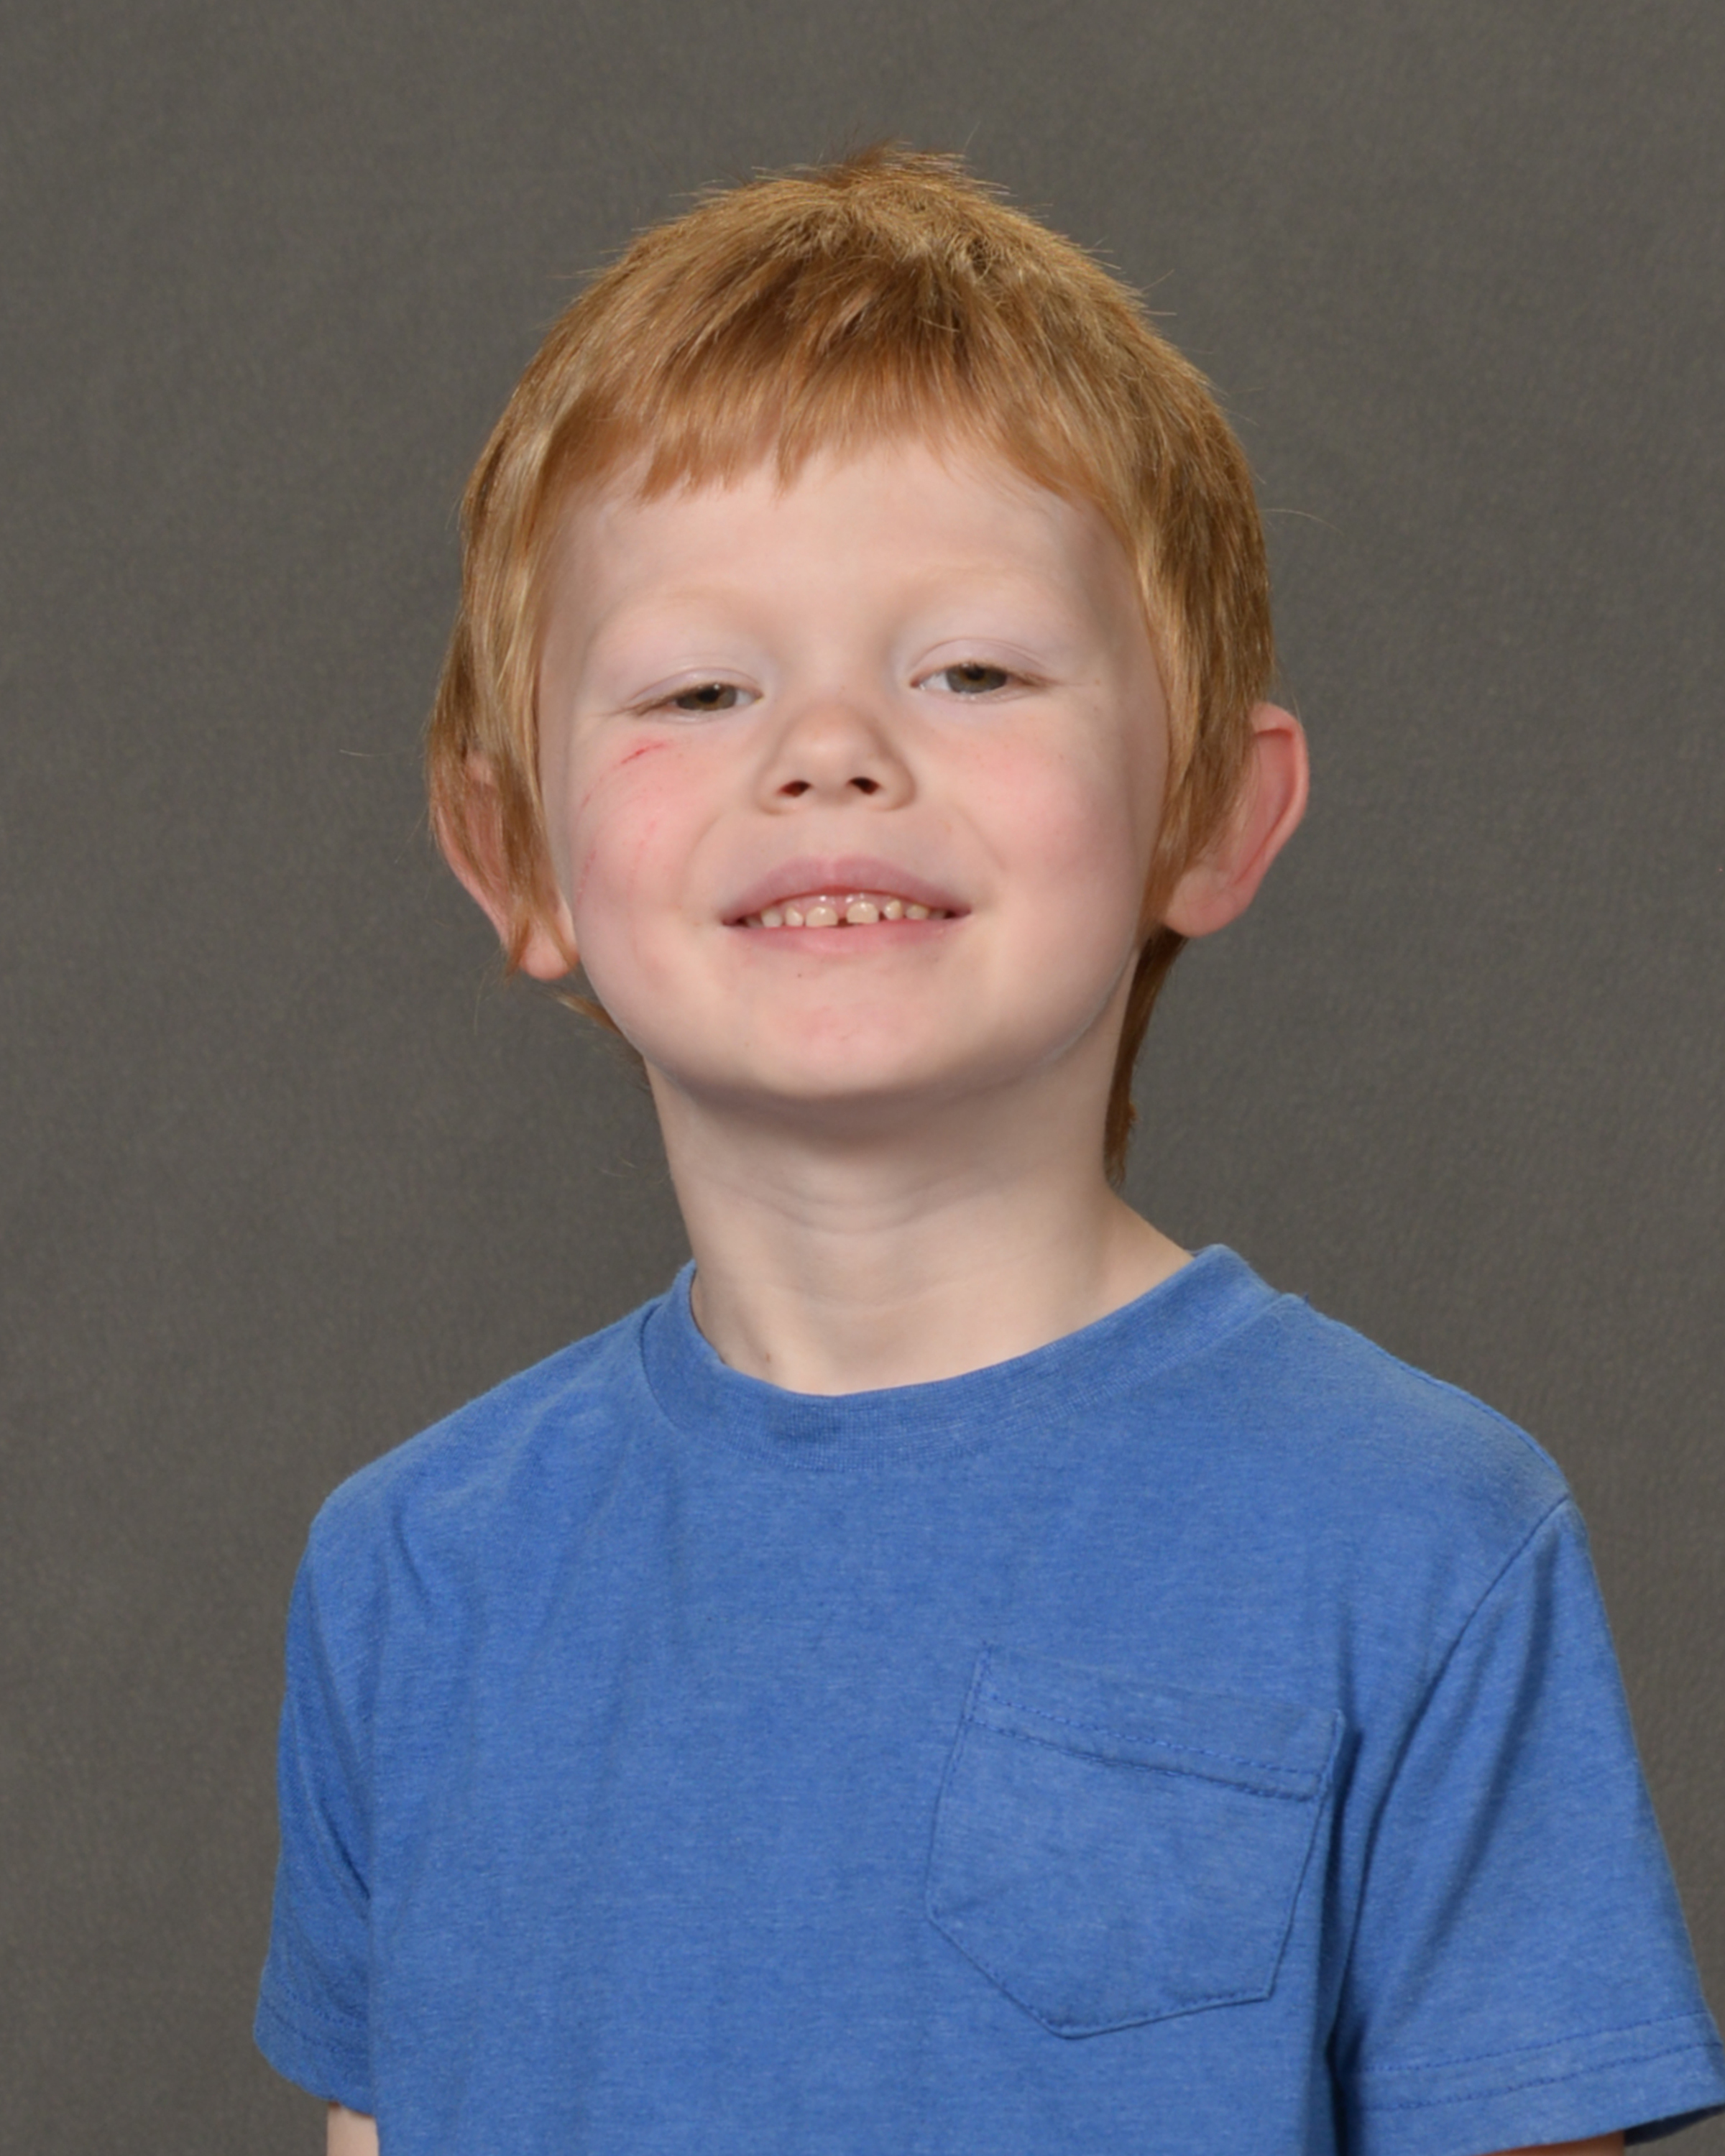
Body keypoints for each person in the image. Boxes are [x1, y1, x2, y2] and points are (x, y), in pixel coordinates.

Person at [255, 148, 1724, 2156]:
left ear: (1208, 811)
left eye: (971, 671)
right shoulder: (413, 1576)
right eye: (701, 685)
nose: (831, 749)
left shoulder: (1421, 1543)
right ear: (512, 851)